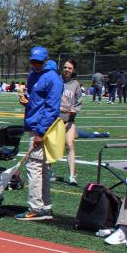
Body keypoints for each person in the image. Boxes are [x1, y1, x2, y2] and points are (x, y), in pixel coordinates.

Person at [16, 46, 63, 221]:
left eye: (38, 62)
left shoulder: (53, 78)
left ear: (45, 60)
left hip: (42, 128)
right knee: (41, 168)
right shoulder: (32, 75)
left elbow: (52, 108)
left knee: (35, 167)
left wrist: (41, 132)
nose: (35, 64)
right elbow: (36, 100)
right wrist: (27, 102)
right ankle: (45, 207)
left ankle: (36, 207)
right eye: (33, 61)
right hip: (33, 124)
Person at [58, 58, 82, 186]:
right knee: (53, 145)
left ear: (73, 70)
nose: (67, 70)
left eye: (69, 68)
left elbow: (78, 102)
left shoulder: (75, 84)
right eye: (65, 67)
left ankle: (72, 176)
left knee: (70, 144)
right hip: (55, 120)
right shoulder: (56, 80)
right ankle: (47, 171)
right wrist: (57, 108)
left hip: (69, 120)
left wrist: (74, 110)